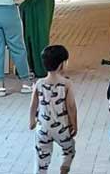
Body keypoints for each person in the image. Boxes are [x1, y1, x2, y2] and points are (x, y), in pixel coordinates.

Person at [30, 44, 77, 174]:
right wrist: (74, 124)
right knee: (69, 149)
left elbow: (33, 104)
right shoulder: (67, 84)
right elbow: (71, 106)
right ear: (62, 64)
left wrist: (31, 121)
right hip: (61, 128)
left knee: (42, 157)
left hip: (43, 128)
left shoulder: (39, 83)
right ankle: (64, 168)